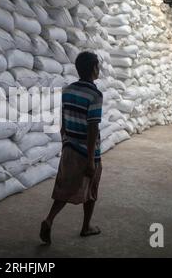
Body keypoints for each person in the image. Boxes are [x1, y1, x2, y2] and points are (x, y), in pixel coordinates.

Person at [40, 51, 104, 245]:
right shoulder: (95, 94)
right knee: (91, 190)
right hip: (87, 151)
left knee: (65, 188)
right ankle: (86, 227)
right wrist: (91, 159)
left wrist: (65, 144)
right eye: (98, 66)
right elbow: (93, 127)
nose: (99, 69)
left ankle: (49, 219)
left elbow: (64, 121)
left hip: (69, 147)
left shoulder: (67, 90)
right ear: (94, 69)